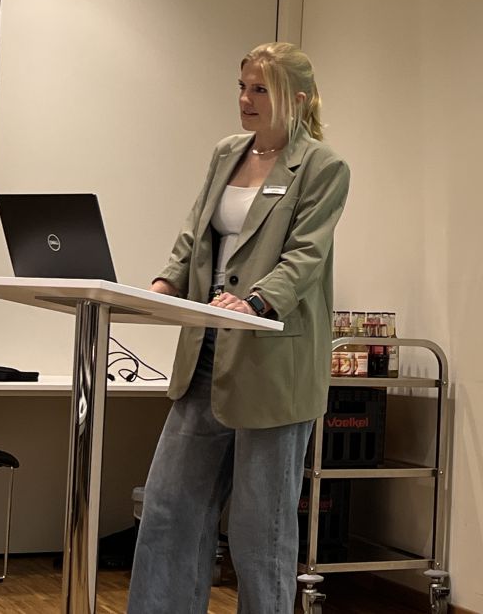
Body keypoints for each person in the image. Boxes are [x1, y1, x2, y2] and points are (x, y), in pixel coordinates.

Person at [128, 41, 350, 614]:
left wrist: (255, 301)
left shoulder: (323, 168)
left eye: (260, 90)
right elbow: (194, 232)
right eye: (242, 87)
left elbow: (305, 257)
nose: (246, 100)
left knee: (259, 530)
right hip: (205, 352)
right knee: (168, 508)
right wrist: (166, 282)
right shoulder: (227, 152)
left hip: (271, 363)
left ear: (296, 99)